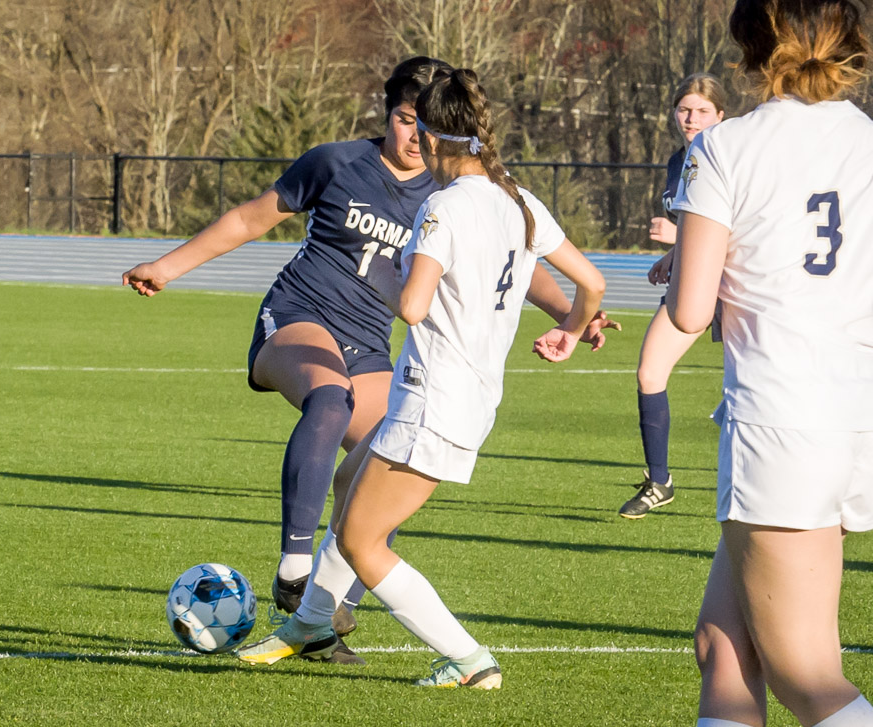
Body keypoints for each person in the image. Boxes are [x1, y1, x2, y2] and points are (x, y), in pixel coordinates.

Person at [123, 57, 618, 664]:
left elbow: (516, 259)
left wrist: (571, 314)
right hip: (299, 316)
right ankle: (298, 569)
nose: (414, 136)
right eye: (405, 120)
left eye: (423, 124)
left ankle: (320, 621)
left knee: (371, 473)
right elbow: (253, 217)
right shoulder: (338, 163)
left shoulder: (450, 192)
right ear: (387, 114)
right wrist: (166, 267)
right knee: (330, 402)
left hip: (369, 345)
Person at [668, 0, 873, 727]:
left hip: (781, 417)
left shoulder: (726, 147)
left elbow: (691, 310)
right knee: (723, 645)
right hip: (851, 411)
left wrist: (689, 264)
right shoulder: (866, 140)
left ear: (752, 49)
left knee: (805, 673)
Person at [619, 73, 727, 519]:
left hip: (736, 286)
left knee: (750, 387)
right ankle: (659, 481)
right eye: (685, 109)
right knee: (649, 371)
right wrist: (676, 252)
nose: (692, 118)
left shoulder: (729, 155)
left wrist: (678, 235)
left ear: (722, 115)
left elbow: (738, 227)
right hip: (693, 280)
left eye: (703, 110)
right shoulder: (677, 160)